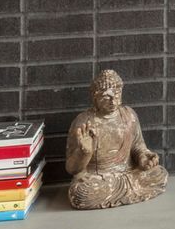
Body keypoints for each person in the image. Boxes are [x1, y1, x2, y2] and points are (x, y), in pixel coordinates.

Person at [64, 69, 169, 210]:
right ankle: (130, 193)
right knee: (80, 193)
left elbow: (138, 146)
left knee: (159, 174)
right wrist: (84, 152)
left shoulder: (129, 115)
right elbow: (72, 169)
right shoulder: (84, 122)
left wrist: (143, 158)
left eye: (117, 94)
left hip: (129, 173)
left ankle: (126, 191)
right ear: (95, 98)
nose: (113, 101)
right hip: (100, 179)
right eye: (107, 97)